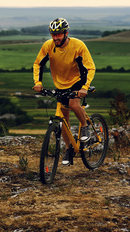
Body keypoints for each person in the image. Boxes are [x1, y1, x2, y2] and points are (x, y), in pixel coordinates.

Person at [33, 18, 96, 166]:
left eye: (58, 35)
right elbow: (38, 64)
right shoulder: (48, 46)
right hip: (60, 85)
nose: (55, 38)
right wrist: (38, 82)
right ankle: (69, 149)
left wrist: (84, 87)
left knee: (74, 104)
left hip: (78, 81)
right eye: (53, 35)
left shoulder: (78, 46)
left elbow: (90, 68)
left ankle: (85, 127)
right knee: (63, 120)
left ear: (66, 33)